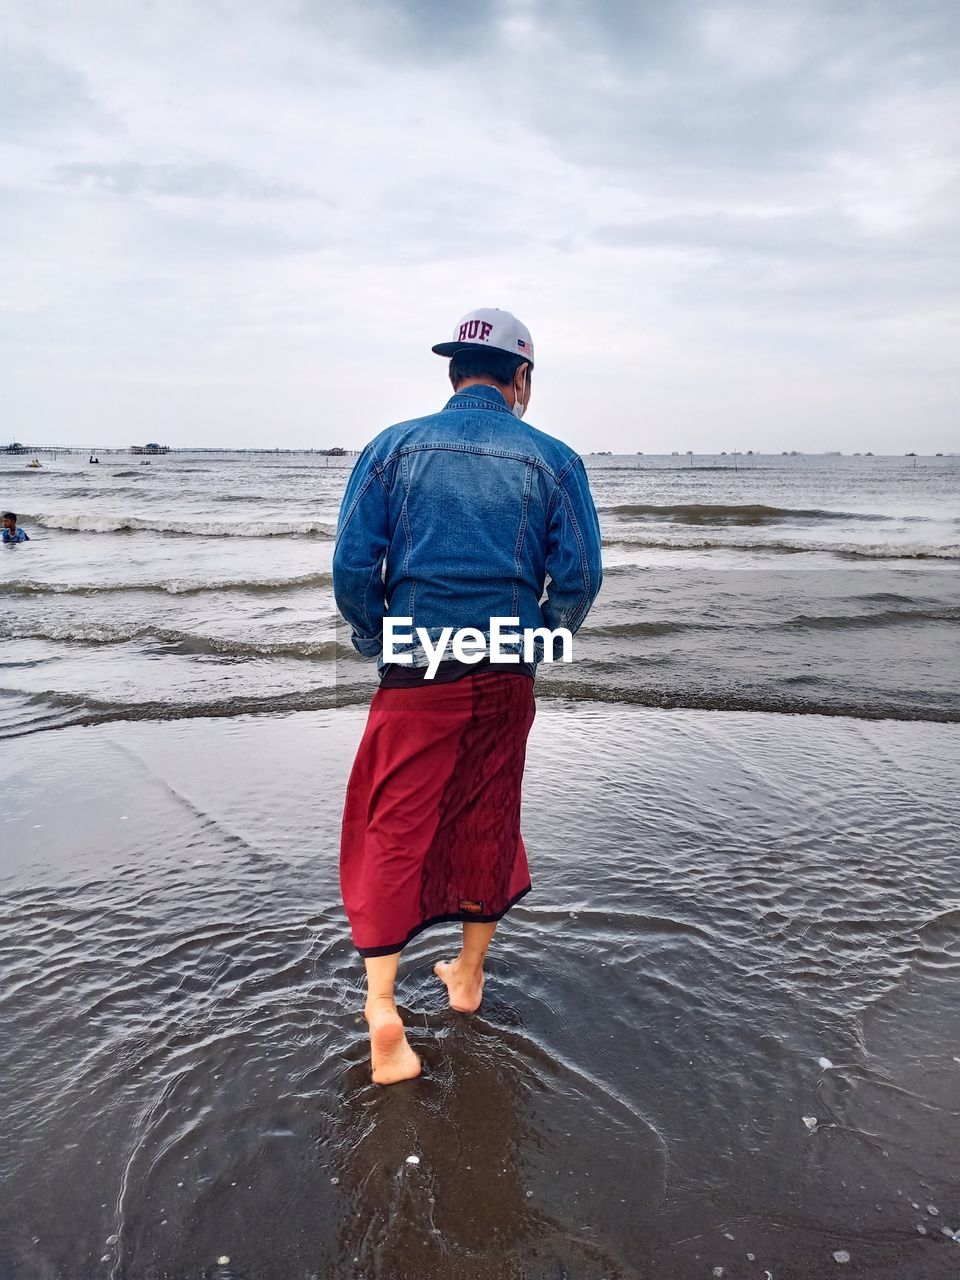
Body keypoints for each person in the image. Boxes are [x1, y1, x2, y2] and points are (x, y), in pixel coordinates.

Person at [332, 308, 603, 1084]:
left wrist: (377, 638)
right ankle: (468, 977)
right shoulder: (554, 459)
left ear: (454, 373)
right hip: (504, 670)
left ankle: (383, 1006)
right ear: (521, 380)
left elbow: (354, 570)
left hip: (416, 666)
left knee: (393, 820)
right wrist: (535, 640)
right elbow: (578, 579)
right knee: (489, 813)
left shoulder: (392, 446)